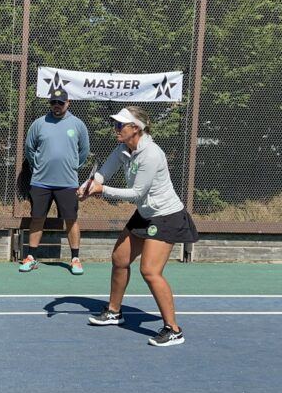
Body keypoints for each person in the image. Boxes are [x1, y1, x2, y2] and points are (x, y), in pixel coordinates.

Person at [78, 106, 197, 347]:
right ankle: (114, 312)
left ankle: (173, 329)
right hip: (145, 213)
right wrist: (87, 187)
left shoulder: (151, 154)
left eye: (121, 125)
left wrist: (103, 190)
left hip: (166, 215)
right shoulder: (123, 149)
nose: (116, 129)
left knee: (150, 271)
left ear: (136, 128)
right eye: (116, 124)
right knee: (120, 258)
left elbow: (137, 192)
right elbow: (102, 173)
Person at [20, 88, 91, 274]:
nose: (57, 106)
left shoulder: (78, 125)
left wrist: (73, 166)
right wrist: (39, 165)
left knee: (71, 219)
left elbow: (84, 151)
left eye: (61, 102)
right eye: (53, 102)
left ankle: (75, 259)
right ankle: (31, 257)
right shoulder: (39, 123)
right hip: (40, 181)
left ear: (68, 103)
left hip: (68, 182)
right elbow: (29, 148)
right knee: (37, 218)